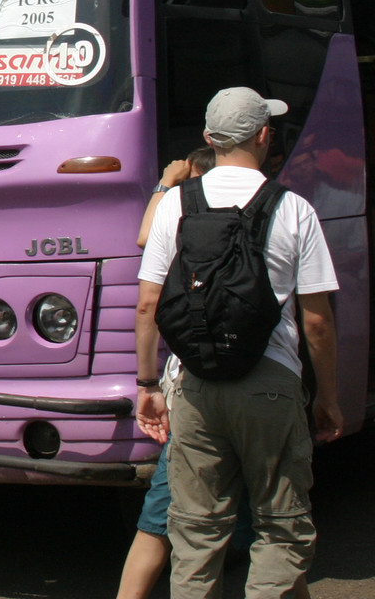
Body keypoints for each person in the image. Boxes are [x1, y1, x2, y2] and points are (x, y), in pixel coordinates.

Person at [134, 87, 341, 599]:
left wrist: (148, 384)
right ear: (265, 135)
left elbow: (147, 304)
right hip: (270, 384)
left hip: (195, 384)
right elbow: (317, 321)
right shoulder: (294, 208)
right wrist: (328, 396)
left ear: (208, 138)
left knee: (195, 531)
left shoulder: (175, 203)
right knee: (280, 526)